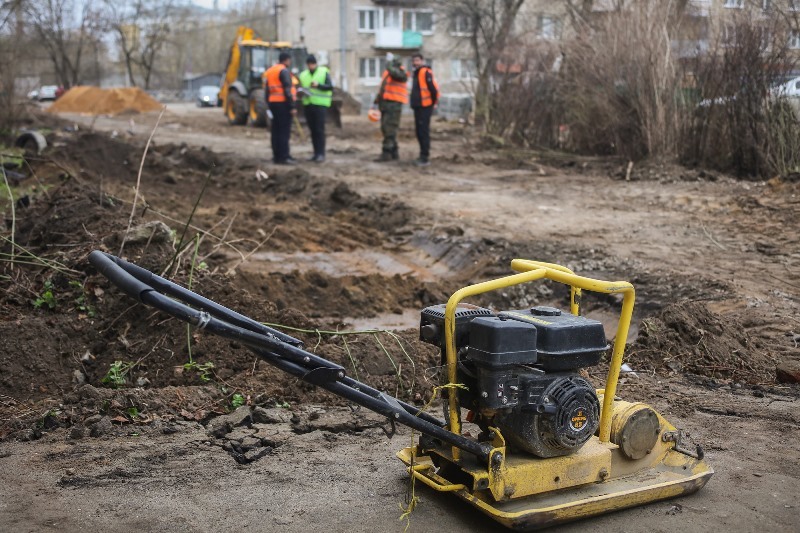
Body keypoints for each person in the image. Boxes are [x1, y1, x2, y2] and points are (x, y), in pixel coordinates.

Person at [298, 55, 334, 163]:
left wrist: (319, 85)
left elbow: (330, 86)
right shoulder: (303, 75)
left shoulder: (323, 72)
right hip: (308, 104)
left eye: (312, 64)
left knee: (319, 130)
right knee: (313, 131)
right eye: (309, 64)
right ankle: (315, 153)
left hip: (320, 105)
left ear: (315, 64)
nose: (311, 66)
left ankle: (321, 154)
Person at [374, 53, 408, 162]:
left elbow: (397, 75)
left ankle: (387, 152)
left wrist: (389, 64)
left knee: (390, 129)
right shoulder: (388, 73)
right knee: (386, 128)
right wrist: (377, 100)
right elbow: (383, 87)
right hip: (385, 103)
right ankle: (394, 151)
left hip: (394, 104)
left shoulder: (401, 72)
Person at [264, 52, 297, 165]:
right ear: (286, 60)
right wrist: (292, 106)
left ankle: (276, 156)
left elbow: (267, 91)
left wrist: (268, 105)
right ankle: (284, 156)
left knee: (276, 131)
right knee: (284, 132)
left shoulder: (270, 71)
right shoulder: (284, 71)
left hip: (273, 103)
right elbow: (287, 90)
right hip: (283, 104)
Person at [410, 53, 439, 166]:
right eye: (414, 60)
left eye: (417, 60)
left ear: (422, 61)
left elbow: (433, 89)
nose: (415, 62)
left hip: (425, 106)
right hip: (418, 106)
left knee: (423, 131)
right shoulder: (416, 73)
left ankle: (425, 157)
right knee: (419, 131)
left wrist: (433, 103)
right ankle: (422, 155)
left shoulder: (425, 72)